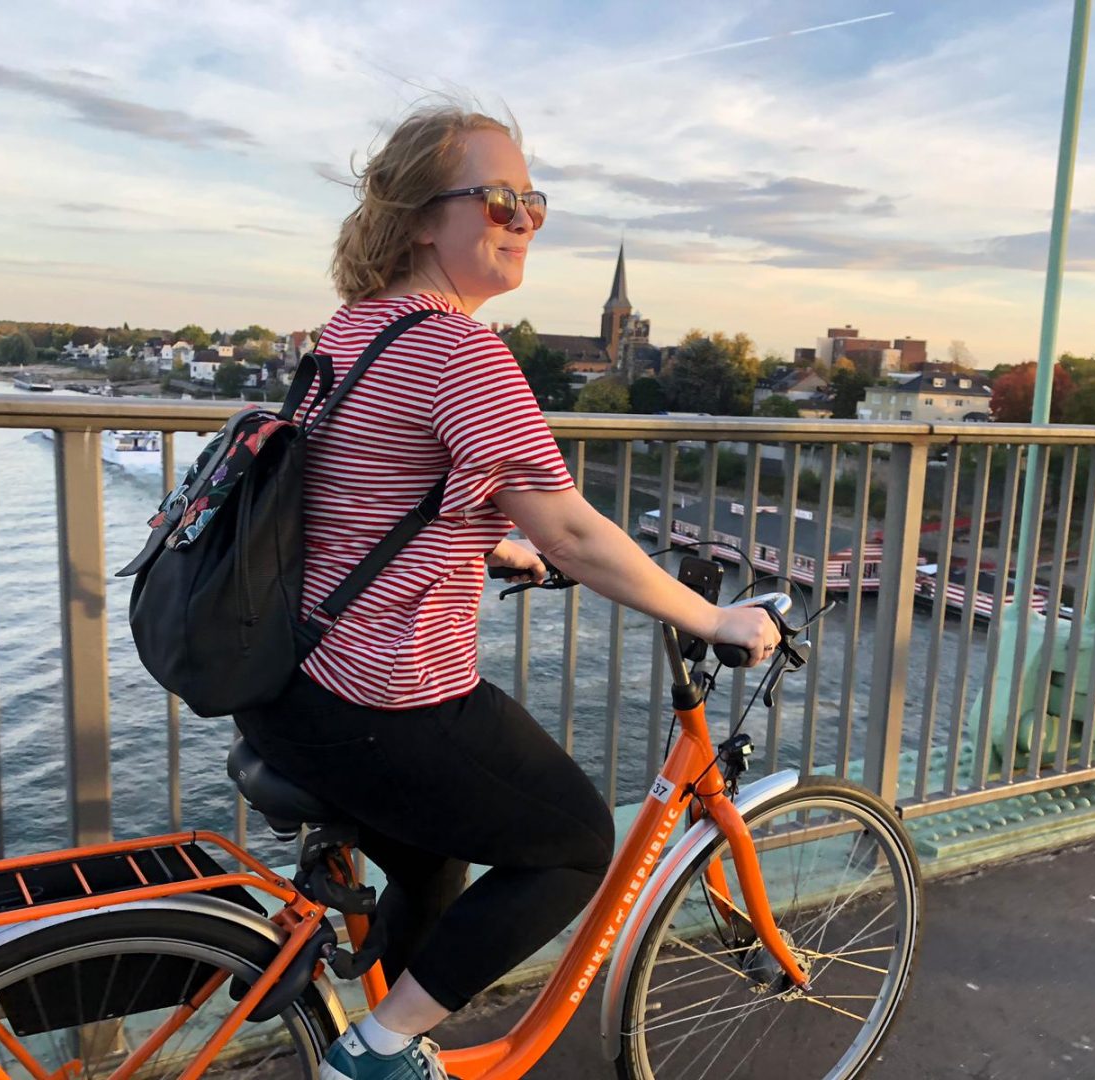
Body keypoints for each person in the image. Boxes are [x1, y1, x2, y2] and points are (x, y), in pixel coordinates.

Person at [233, 101, 779, 1080]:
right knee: (572, 843)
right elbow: (571, 527)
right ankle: (376, 1054)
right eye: (496, 197)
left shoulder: (353, 333)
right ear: (417, 219)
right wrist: (711, 614)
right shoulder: (459, 350)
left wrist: (485, 550)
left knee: (437, 861)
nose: (521, 215)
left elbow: (360, 504)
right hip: (377, 699)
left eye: (534, 198)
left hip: (287, 684)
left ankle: (392, 1039)